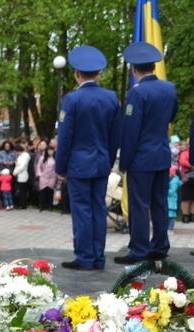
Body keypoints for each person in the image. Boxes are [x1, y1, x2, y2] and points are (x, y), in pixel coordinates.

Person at [55, 46, 121, 270]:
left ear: (76, 73)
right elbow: (115, 136)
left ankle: (84, 258)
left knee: (82, 211)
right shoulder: (111, 97)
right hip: (102, 163)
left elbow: (65, 138)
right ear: (98, 74)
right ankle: (98, 258)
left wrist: (61, 167)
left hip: (78, 165)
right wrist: (109, 161)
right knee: (98, 210)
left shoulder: (72, 99)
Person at [116, 42, 179, 264]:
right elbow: (171, 117)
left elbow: (130, 132)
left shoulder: (137, 93)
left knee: (139, 205)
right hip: (161, 156)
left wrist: (124, 163)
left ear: (134, 70)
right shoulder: (169, 88)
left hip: (141, 160)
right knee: (159, 203)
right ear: (154, 67)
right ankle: (160, 245)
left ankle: (139, 250)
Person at [36, 147, 59, 212]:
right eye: (49, 150)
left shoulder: (55, 158)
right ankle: (42, 205)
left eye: (52, 150)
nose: (50, 152)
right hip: (44, 176)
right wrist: (40, 174)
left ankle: (50, 206)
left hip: (52, 177)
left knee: (50, 192)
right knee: (43, 192)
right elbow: (38, 166)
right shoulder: (42, 158)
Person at [13, 145, 31, 209]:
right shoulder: (20, 157)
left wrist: (15, 173)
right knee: (20, 191)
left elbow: (22, 167)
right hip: (19, 174)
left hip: (23, 175)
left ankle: (22, 204)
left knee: (22, 191)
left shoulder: (25, 156)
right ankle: (19, 204)